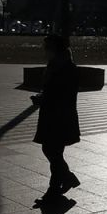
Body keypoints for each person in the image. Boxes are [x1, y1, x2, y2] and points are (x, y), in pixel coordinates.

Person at [33, 34, 82, 196]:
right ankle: (64, 180)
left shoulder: (67, 68)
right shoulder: (54, 65)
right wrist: (42, 97)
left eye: (46, 48)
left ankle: (56, 187)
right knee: (53, 151)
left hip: (61, 116)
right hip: (52, 114)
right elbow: (51, 90)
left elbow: (63, 94)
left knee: (52, 150)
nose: (44, 51)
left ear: (55, 50)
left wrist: (44, 98)